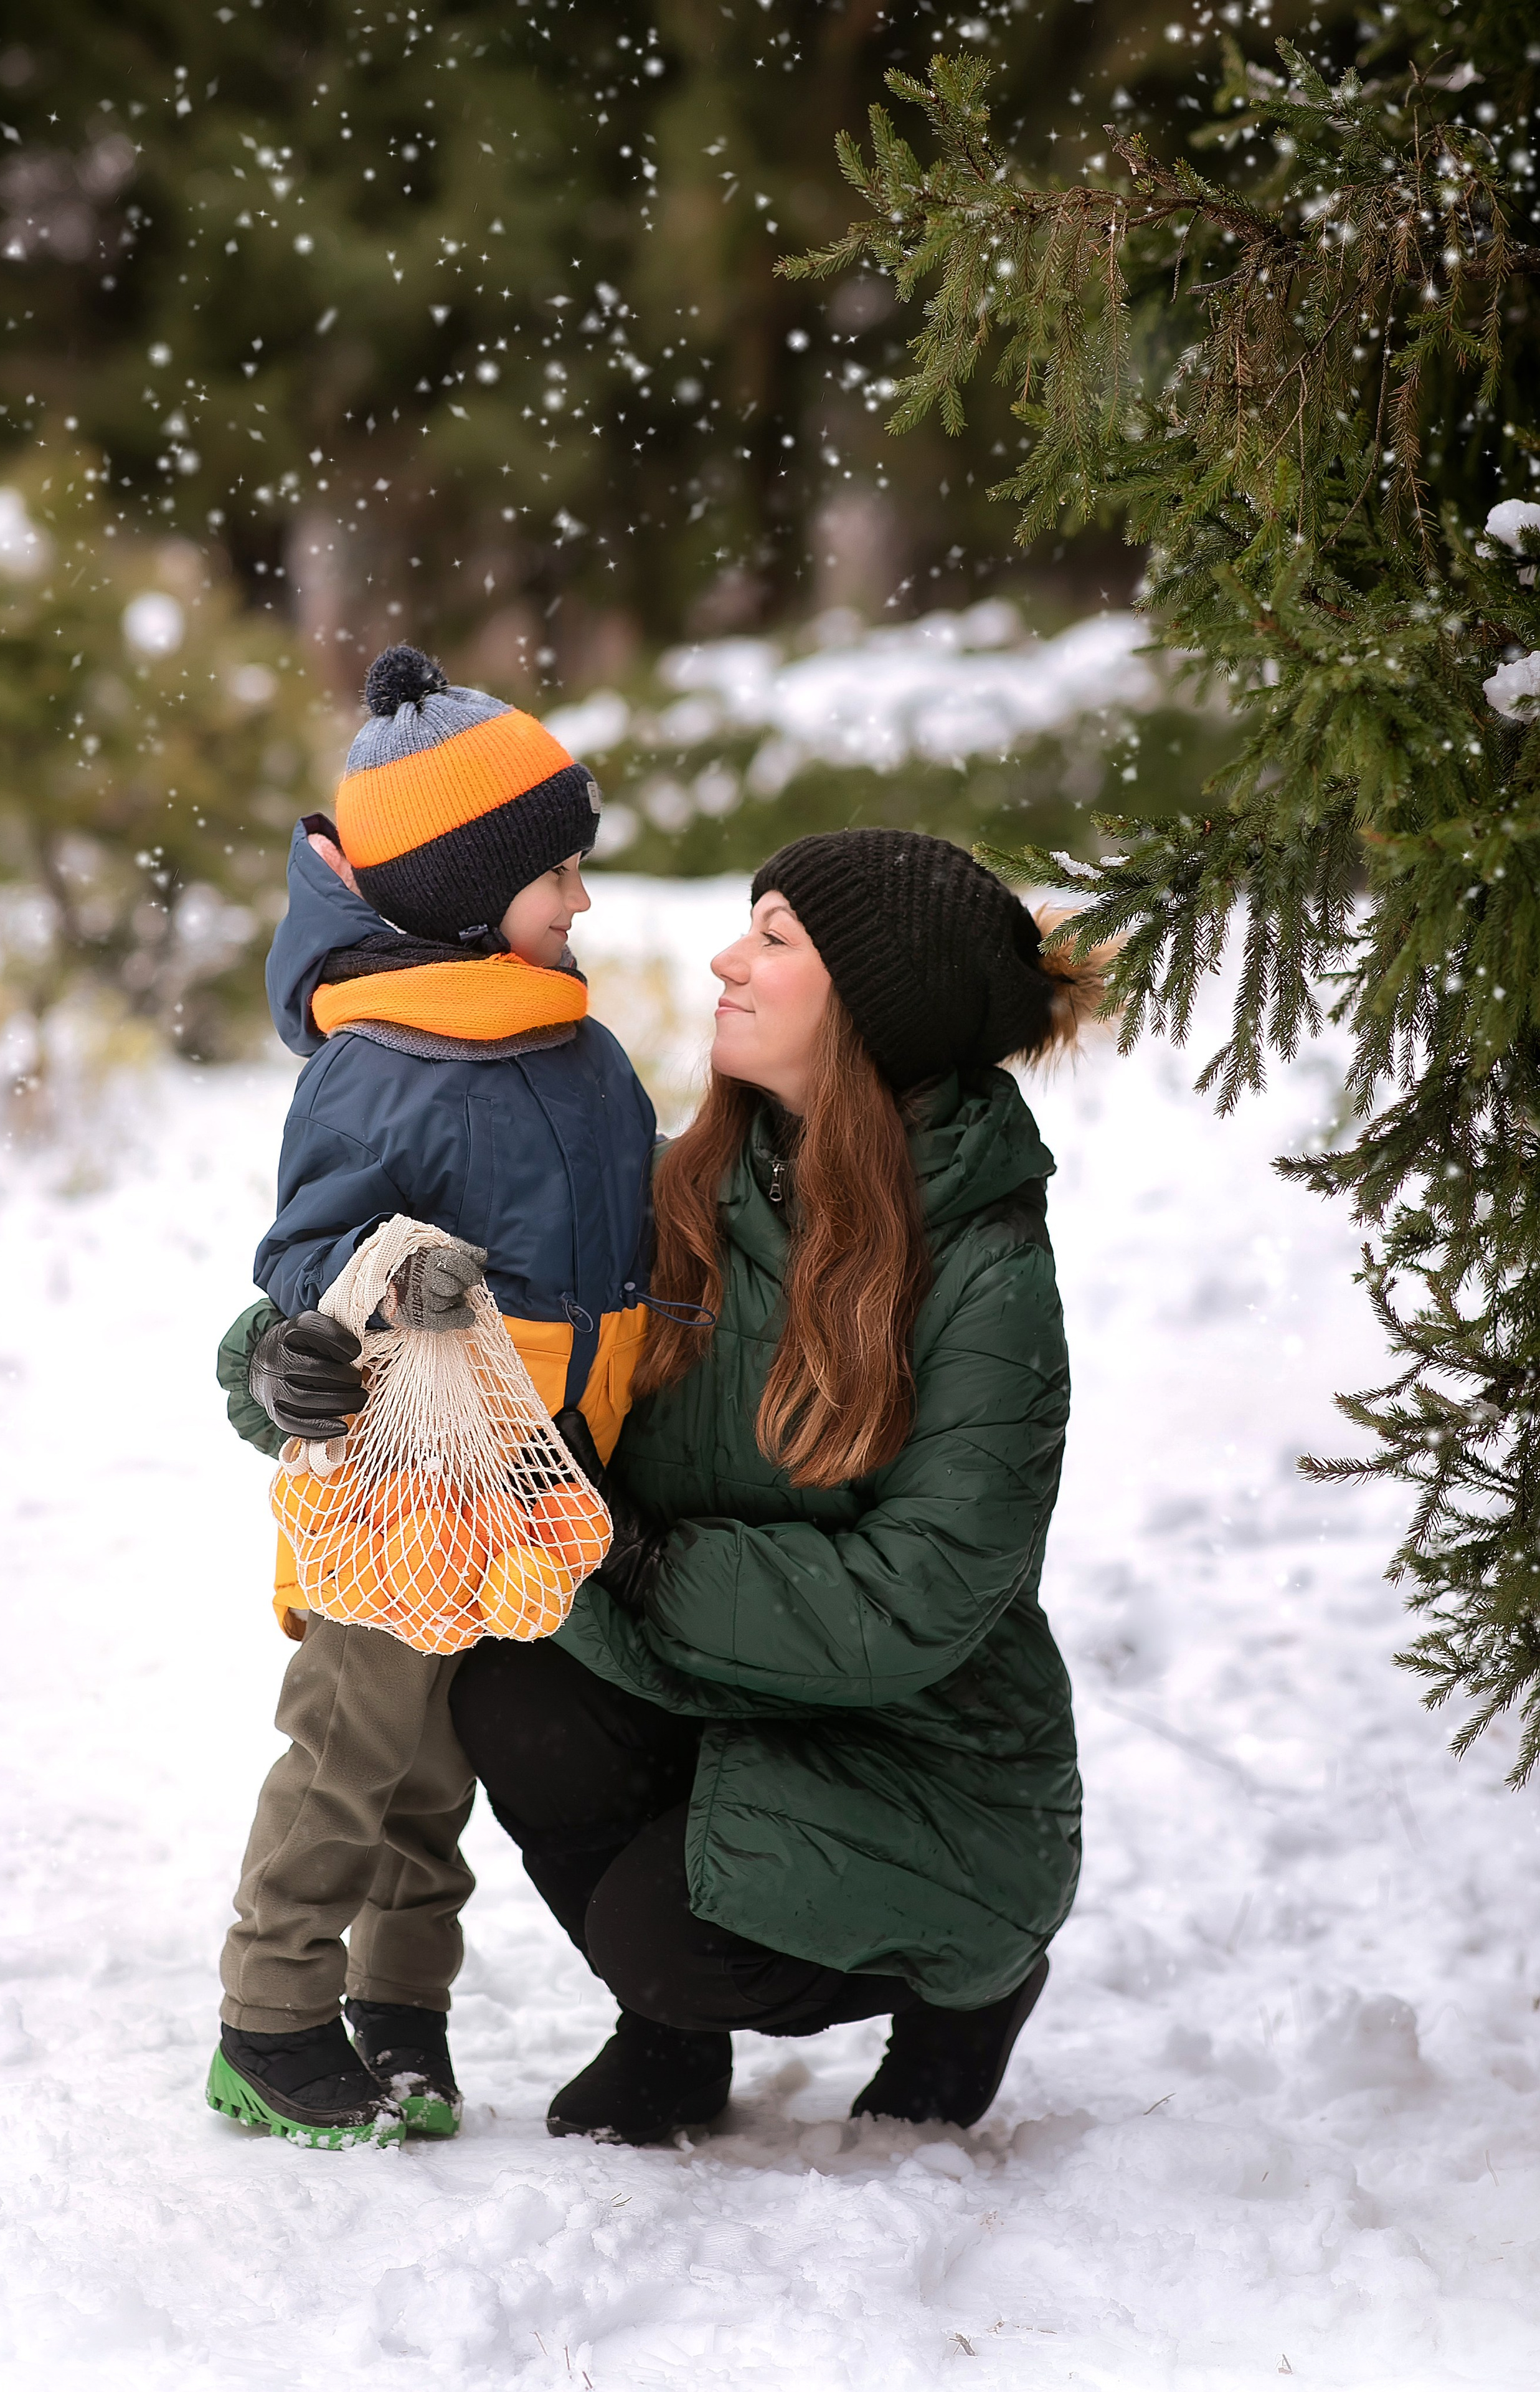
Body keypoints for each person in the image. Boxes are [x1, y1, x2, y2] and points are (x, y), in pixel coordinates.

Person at [447, 827, 1097, 2145]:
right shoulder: (683, 1187)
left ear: (867, 1007)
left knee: (659, 1929)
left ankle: (969, 1984)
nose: (724, 960)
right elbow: (455, 1309)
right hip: (720, 1690)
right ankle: (670, 2044)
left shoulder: (983, 1271)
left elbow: (913, 1599)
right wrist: (295, 1361)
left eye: (774, 939)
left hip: (929, 1759)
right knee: (513, 1688)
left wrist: (639, 1562)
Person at [207, 643, 654, 2148]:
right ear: (473, 889)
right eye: (560, 873)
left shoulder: (574, 1044)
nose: (580, 900)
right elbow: (306, 1252)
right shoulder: (381, 1064)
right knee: (348, 1752)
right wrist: (386, 1282)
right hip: (406, 1466)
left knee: (436, 1771)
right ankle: (269, 2021)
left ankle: (402, 2008)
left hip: (529, 1480)